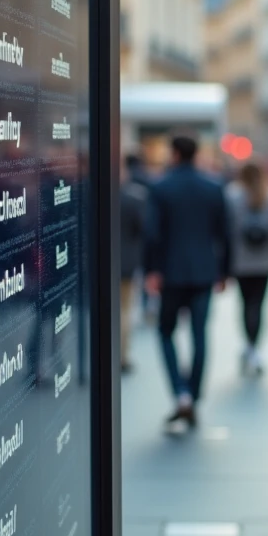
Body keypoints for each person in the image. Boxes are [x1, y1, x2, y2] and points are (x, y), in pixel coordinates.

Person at [143, 135, 230, 433]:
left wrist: (152, 270)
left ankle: (180, 392)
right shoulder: (213, 186)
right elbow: (224, 233)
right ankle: (193, 394)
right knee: (199, 334)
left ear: (175, 153)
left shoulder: (161, 187)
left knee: (165, 331)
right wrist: (224, 271)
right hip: (204, 272)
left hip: (171, 272)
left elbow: (152, 234)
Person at [225, 160, 268, 376]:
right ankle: (254, 347)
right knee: (259, 305)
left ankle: (249, 344)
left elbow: (225, 229)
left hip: (240, 261)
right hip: (264, 261)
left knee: (245, 304)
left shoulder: (232, 197)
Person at [119, 157, 149, 374]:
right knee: (125, 310)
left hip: (97, 264)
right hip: (127, 260)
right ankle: (122, 355)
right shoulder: (134, 197)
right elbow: (144, 230)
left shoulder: (87, 194)